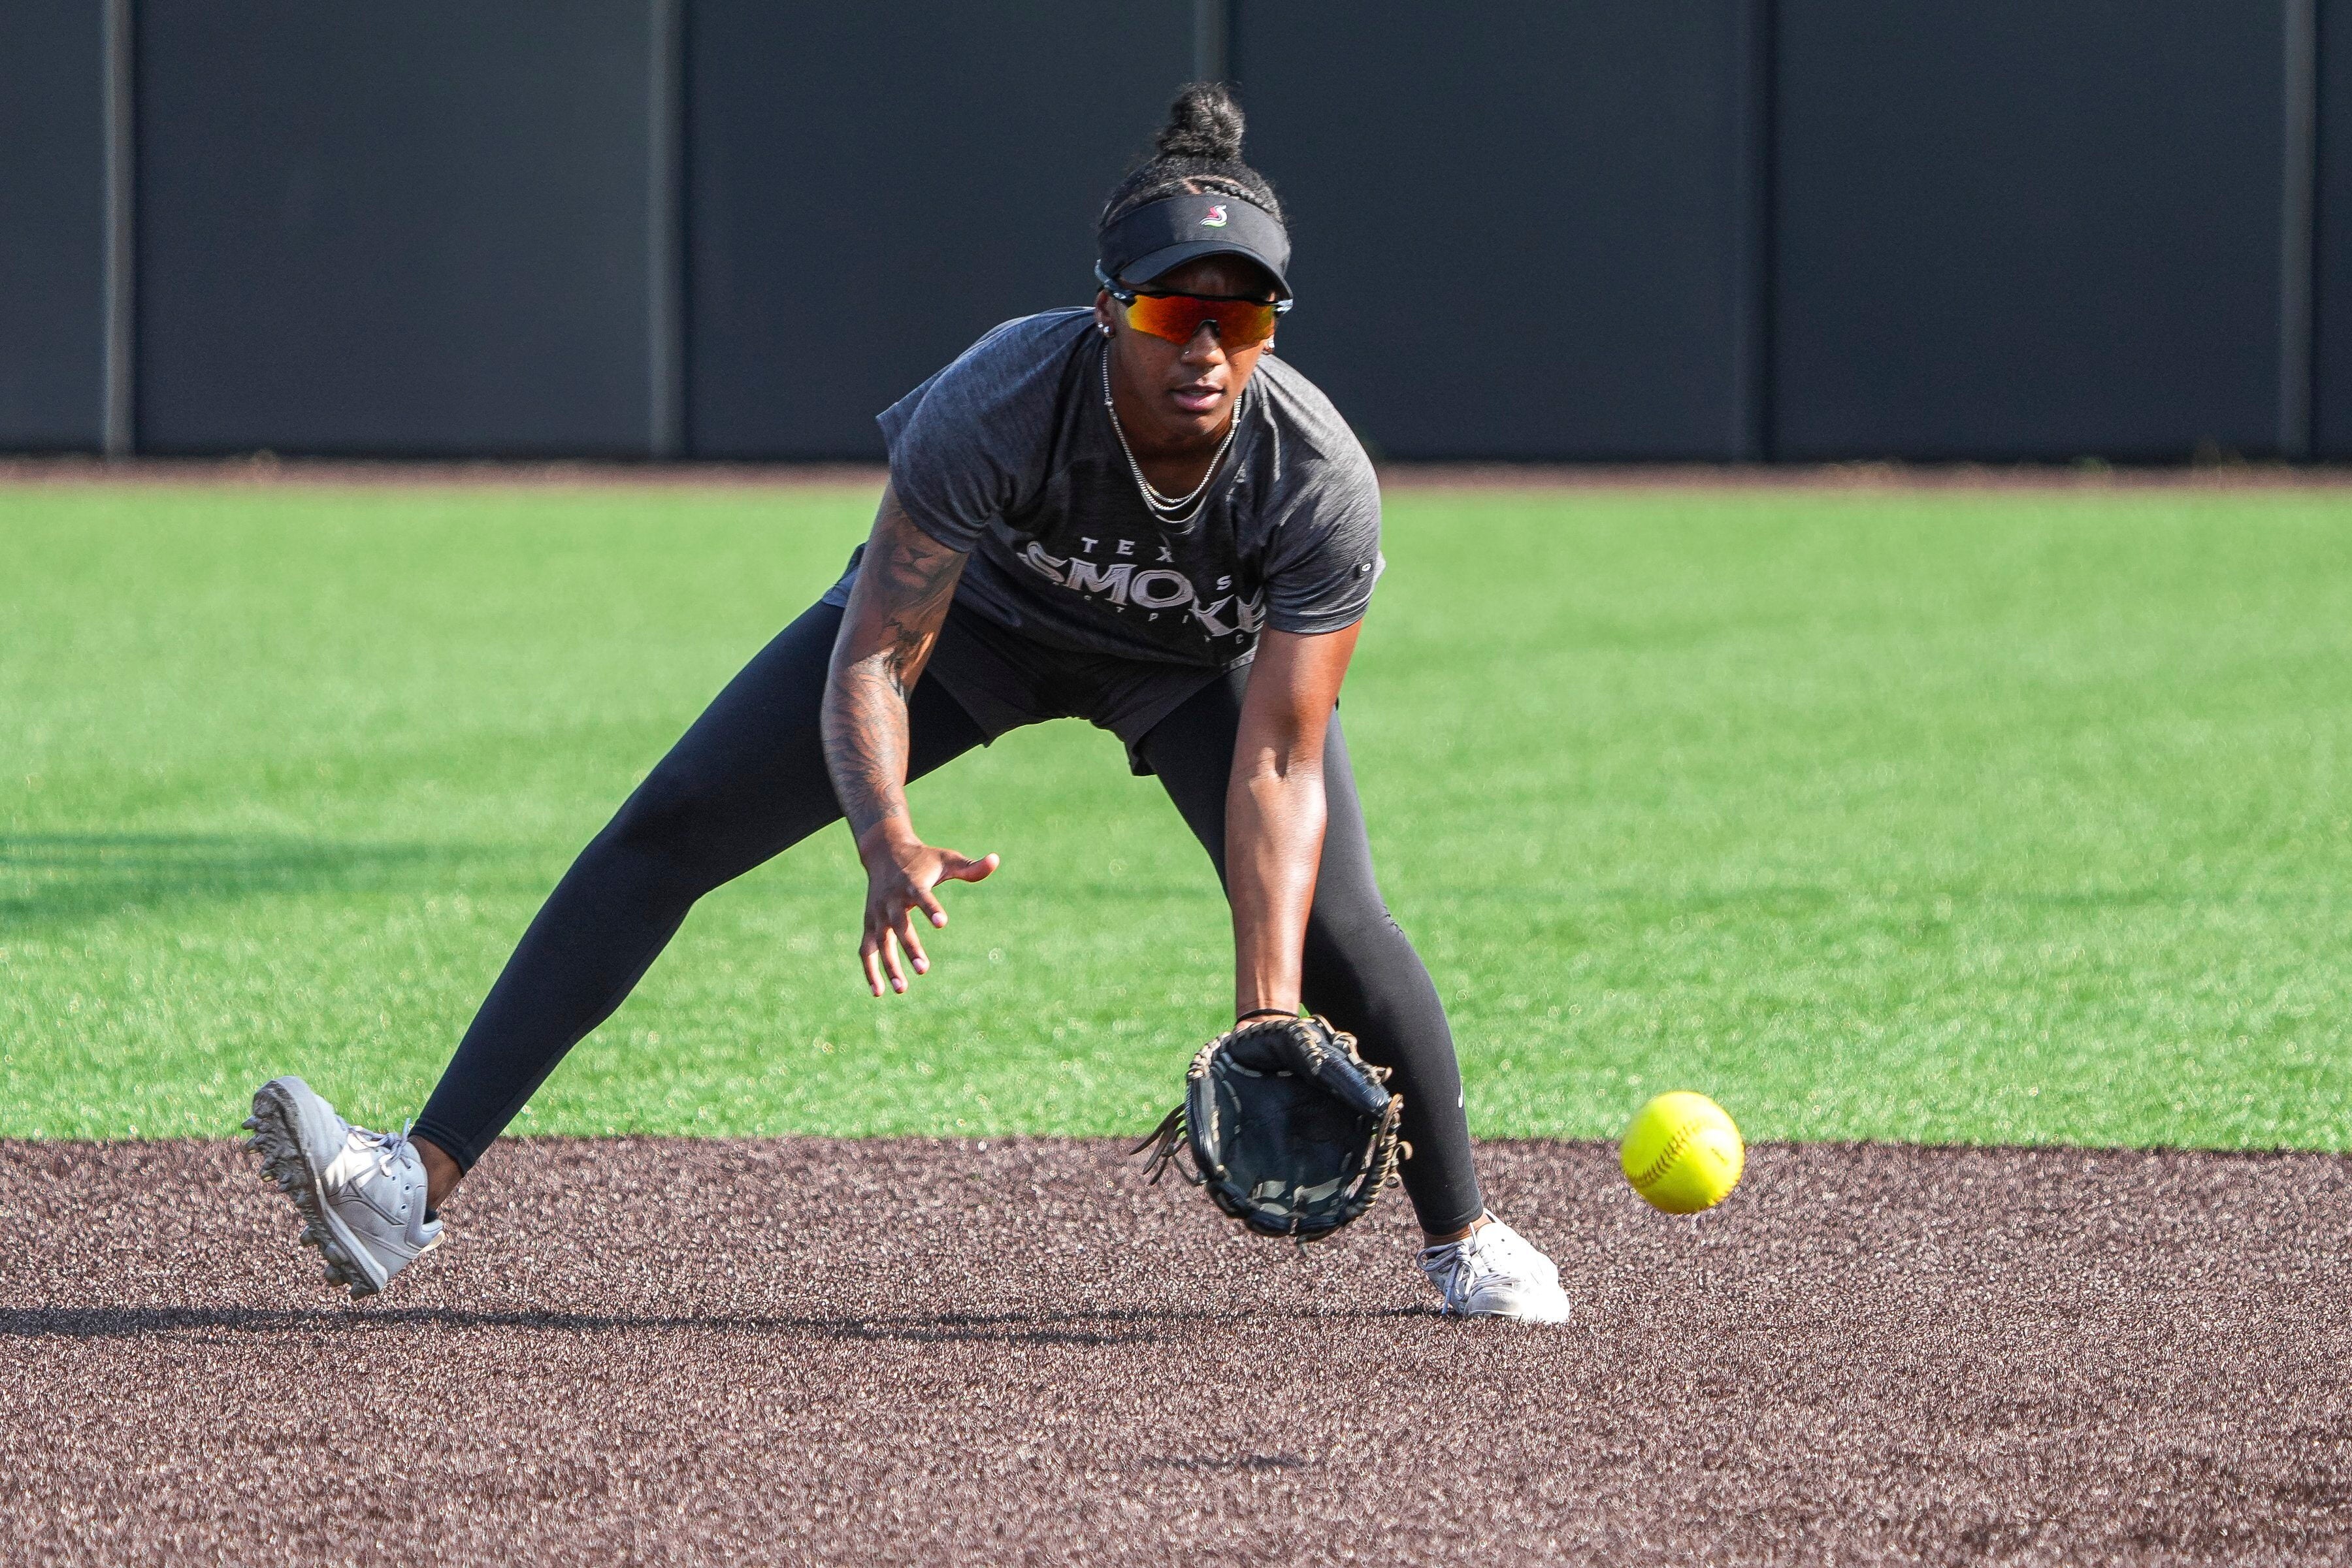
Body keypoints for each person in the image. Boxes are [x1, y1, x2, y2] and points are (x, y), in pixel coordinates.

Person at [246, 84, 1569, 1322]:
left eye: (1245, 317)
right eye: (1174, 312)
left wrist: (1267, 1012)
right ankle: (406, 1186)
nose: (1210, 347)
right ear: (1108, 308)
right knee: (673, 829)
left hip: (1190, 663)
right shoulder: (996, 400)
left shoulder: (1316, 475)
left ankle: (1461, 1236)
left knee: (1342, 926)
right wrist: (882, 834)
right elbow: (878, 653)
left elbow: (1278, 762)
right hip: (979, 629)